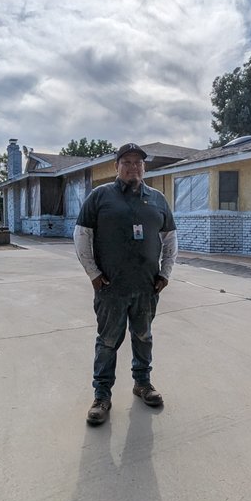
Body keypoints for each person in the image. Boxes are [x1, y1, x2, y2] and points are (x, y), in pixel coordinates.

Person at [73, 142, 178, 426]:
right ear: (116, 166)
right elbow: (82, 236)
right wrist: (94, 274)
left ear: (144, 167)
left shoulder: (157, 199)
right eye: (127, 162)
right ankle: (101, 396)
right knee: (108, 342)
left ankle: (142, 383)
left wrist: (165, 273)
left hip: (147, 287)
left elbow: (170, 239)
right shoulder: (100, 196)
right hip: (111, 288)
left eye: (138, 162)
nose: (133, 167)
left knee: (143, 337)